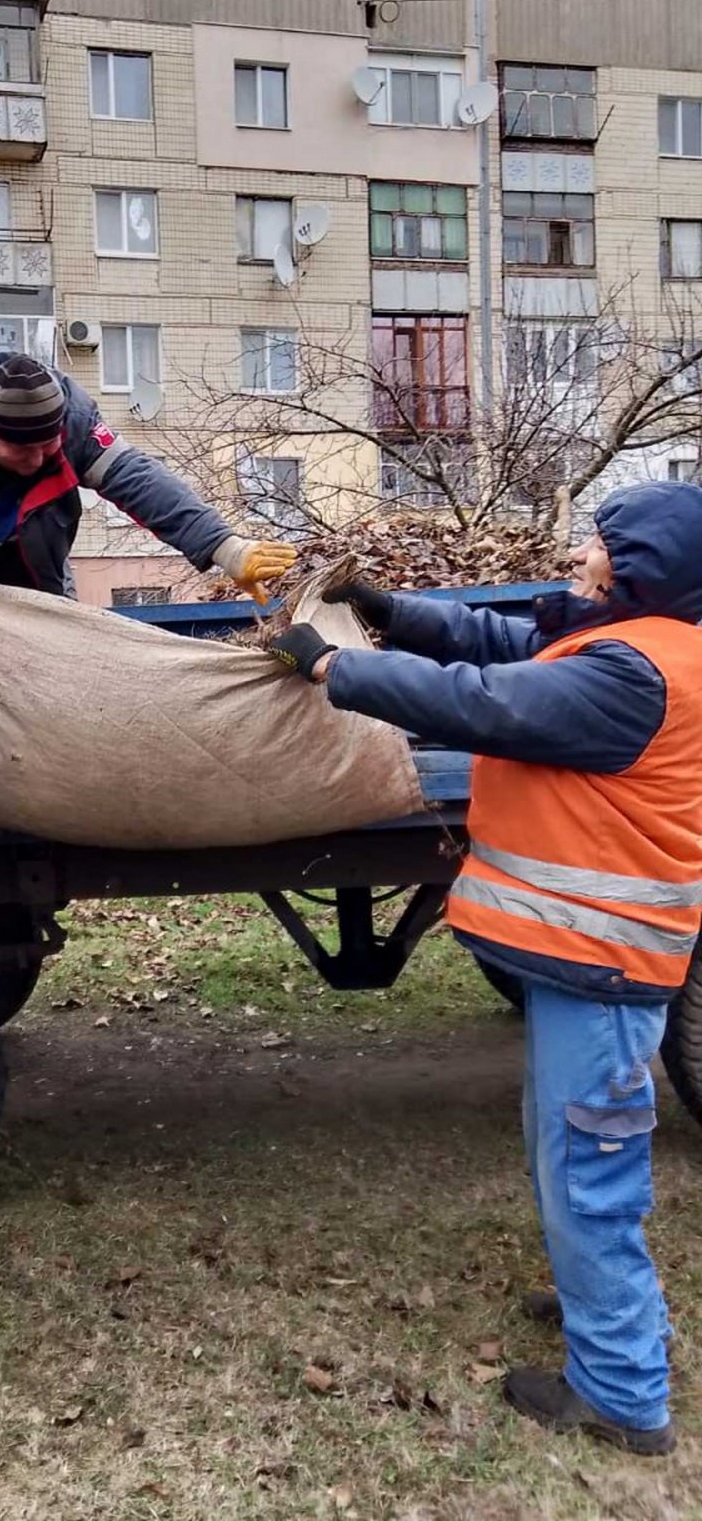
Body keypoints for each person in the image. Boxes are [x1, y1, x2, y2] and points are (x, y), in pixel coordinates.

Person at [268, 482, 702, 1456]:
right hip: (589, 959)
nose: (584, 557)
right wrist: (391, 613)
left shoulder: (640, 674)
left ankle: (625, 1390)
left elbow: (485, 701)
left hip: (605, 963)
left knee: (590, 1166)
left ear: (644, 568)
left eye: (600, 546)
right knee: (571, 1155)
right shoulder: (635, 637)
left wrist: (335, 664)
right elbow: (505, 645)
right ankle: (603, 1306)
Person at [0, 351, 298, 600]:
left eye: (47, 446)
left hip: (22, 547)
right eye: (20, 449)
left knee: (49, 634)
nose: (38, 459)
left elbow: (143, 483)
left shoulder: (75, 424)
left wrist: (227, 549)